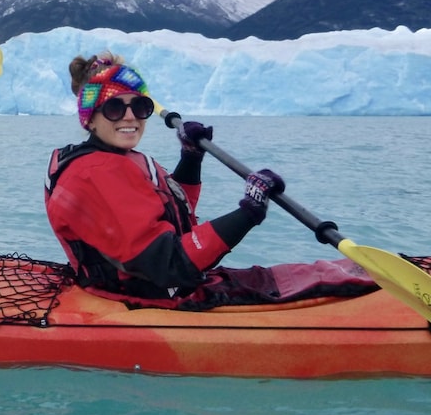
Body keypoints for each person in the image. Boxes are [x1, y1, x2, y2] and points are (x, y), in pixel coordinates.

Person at [44, 51, 376, 309]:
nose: (130, 116)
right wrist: (248, 213)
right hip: (154, 295)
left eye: (140, 106)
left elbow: (170, 214)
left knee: (320, 277)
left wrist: (191, 157)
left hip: (165, 283)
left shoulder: (113, 159)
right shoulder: (96, 172)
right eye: (114, 108)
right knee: (334, 287)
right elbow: (169, 264)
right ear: (90, 119)